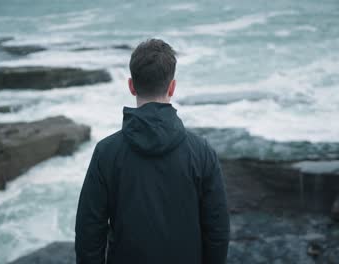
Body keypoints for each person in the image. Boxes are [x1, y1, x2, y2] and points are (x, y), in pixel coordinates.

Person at [75, 39, 229, 264]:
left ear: (131, 86)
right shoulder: (202, 152)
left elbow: (89, 233)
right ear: (172, 87)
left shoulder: (107, 153)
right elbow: (217, 232)